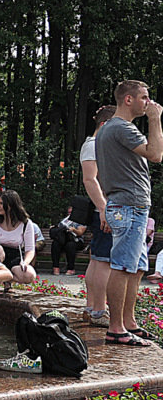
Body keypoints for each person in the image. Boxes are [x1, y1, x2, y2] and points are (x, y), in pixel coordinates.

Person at [97, 79, 163, 346]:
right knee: (123, 266)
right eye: (144, 97)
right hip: (129, 205)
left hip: (127, 204)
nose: (148, 102)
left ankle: (129, 323)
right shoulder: (122, 127)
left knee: (135, 268)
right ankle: (116, 328)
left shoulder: (109, 128)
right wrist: (155, 119)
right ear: (128, 100)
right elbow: (156, 153)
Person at [80, 104, 117, 326]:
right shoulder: (94, 145)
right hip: (105, 209)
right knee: (104, 262)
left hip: (102, 209)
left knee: (97, 260)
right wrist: (104, 209)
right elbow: (89, 179)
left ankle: (92, 307)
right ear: (104, 125)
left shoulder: (94, 145)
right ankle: (99, 310)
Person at [0, 190, 38, 285]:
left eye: (1, 204)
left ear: (11, 205)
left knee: (29, 275)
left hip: (15, 257)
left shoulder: (26, 223)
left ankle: (7, 280)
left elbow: (30, 249)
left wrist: (25, 263)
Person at [49, 207, 87, 275]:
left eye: (71, 212)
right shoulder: (65, 220)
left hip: (76, 240)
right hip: (64, 239)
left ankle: (71, 268)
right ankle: (56, 267)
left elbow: (80, 232)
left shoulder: (80, 220)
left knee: (70, 245)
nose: (69, 214)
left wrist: (73, 230)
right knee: (55, 244)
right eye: (69, 212)